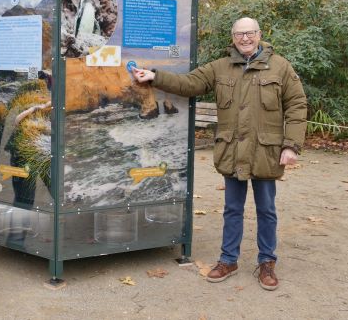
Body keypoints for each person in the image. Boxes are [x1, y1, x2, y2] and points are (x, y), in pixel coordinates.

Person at [131, 17, 307, 291]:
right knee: (232, 209)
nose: (245, 38)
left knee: (267, 210)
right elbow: (189, 83)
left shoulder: (281, 66)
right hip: (232, 150)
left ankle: (267, 261)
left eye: (250, 33)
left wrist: (291, 145)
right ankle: (228, 259)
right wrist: (155, 76)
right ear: (233, 37)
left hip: (266, 151)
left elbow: (297, 105)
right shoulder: (220, 67)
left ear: (259, 34)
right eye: (239, 34)